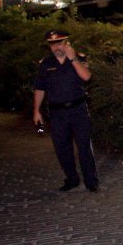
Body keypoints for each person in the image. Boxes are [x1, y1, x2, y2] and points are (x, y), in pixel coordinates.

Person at [33, 29, 99, 193]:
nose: (56, 47)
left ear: (67, 43)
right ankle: (72, 179)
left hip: (78, 110)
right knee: (62, 147)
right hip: (57, 113)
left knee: (84, 146)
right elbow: (40, 88)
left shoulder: (79, 57)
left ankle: (91, 181)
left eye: (59, 43)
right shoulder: (46, 64)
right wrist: (36, 111)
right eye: (52, 44)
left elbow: (86, 77)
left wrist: (73, 58)